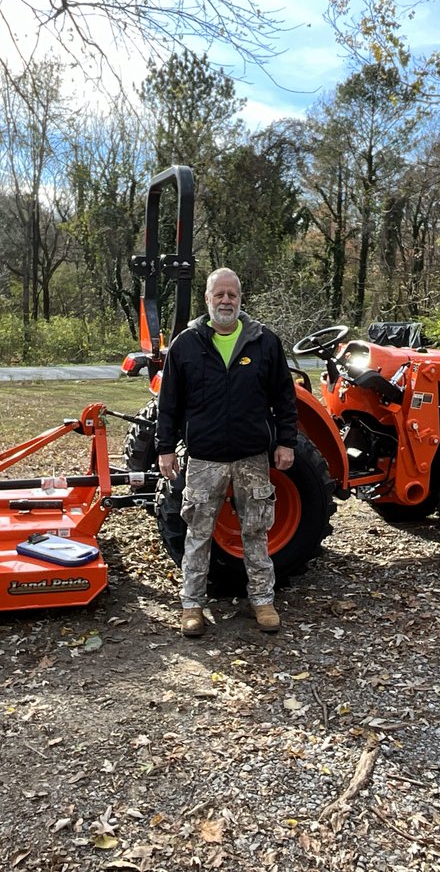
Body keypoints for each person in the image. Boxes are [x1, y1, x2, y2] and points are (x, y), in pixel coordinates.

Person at [155, 267, 298, 637]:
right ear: (207, 299)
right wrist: (165, 449)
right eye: (219, 294)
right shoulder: (186, 345)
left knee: (256, 531)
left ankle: (263, 601)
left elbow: (284, 396)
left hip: (252, 457)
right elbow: (169, 403)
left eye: (232, 294)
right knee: (198, 533)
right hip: (204, 458)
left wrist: (286, 441)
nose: (226, 301)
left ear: (240, 298)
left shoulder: (264, 341)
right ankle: (191, 606)